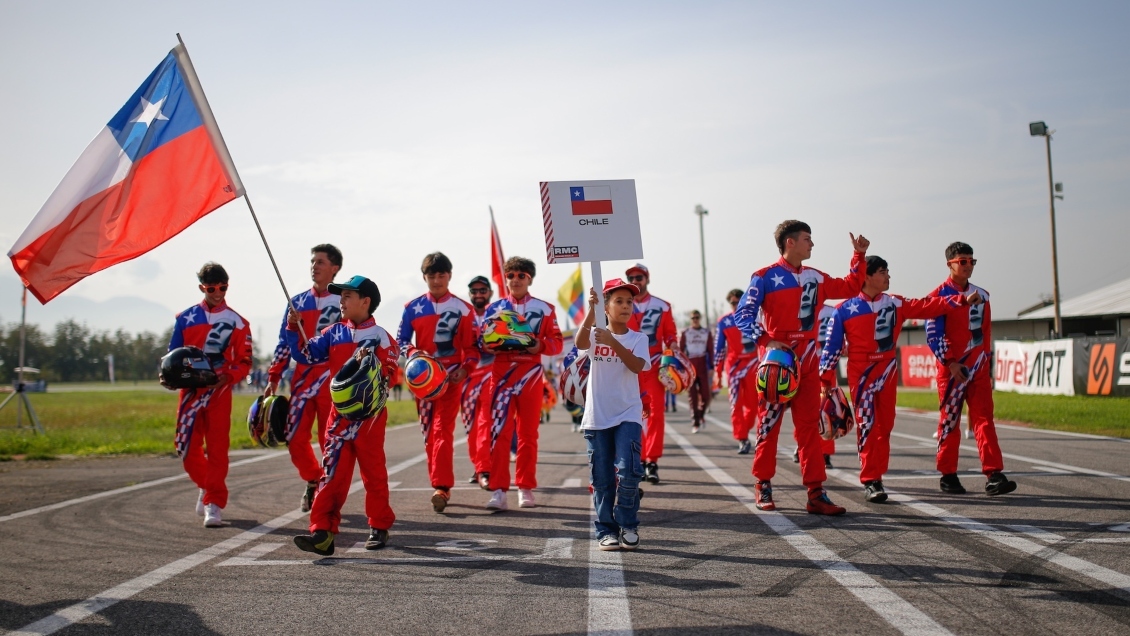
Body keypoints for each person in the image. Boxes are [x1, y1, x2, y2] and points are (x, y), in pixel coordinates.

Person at [734, 220, 869, 515]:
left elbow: (850, 286)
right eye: (807, 238)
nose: (812, 244)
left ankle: (816, 492)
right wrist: (766, 340)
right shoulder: (764, 277)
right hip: (776, 364)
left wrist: (858, 257)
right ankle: (763, 484)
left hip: (809, 360)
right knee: (768, 426)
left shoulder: (815, 276)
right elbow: (742, 315)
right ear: (790, 242)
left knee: (809, 429)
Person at [819, 255, 981, 502]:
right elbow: (831, 349)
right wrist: (824, 382)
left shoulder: (895, 303)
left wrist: (960, 300)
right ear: (868, 276)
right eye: (883, 272)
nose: (888, 276)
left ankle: (878, 476)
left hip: (888, 372)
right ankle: (871, 480)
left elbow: (928, 306)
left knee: (885, 427)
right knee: (867, 425)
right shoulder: (843, 310)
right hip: (860, 375)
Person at [290, 275, 399, 555]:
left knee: (373, 473)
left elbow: (390, 376)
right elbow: (306, 355)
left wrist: (374, 374)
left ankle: (379, 526)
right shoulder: (332, 332)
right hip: (337, 418)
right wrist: (295, 326)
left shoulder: (382, 338)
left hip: (369, 419)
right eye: (341, 296)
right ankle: (322, 533)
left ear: (365, 302)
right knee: (331, 475)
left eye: (347, 296)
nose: (341, 301)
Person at [926, 243, 1017, 496]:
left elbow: (986, 333)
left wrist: (985, 363)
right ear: (950, 264)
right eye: (962, 261)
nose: (968, 266)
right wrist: (951, 363)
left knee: (984, 420)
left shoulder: (984, 295)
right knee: (950, 423)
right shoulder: (937, 296)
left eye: (971, 261)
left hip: (978, 370)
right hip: (952, 371)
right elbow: (933, 335)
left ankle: (994, 474)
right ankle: (948, 475)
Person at [169, 262, 253, 528]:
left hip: (220, 393)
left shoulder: (239, 323)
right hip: (191, 393)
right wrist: (169, 376)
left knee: (218, 450)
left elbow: (245, 361)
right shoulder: (184, 318)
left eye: (223, 287)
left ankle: (214, 504)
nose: (218, 293)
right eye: (212, 288)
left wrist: (228, 377)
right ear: (202, 288)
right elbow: (172, 356)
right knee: (185, 448)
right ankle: (206, 487)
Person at [479, 257, 563, 510]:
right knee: (500, 433)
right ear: (505, 279)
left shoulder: (545, 308)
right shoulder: (493, 309)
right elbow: (482, 343)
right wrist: (492, 343)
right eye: (511, 275)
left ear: (530, 279)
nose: (515, 279)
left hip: (531, 374)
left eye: (521, 275)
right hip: (502, 374)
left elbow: (557, 342)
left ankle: (525, 487)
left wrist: (539, 345)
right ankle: (499, 490)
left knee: (528, 434)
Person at [397, 253, 478, 513]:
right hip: (422, 381)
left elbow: (473, 349)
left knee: (443, 431)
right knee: (429, 435)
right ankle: (439, 484)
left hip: (450, 379)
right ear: (424, 277)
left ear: (449, 276)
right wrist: (413, 355)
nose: (436, 280)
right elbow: (401, 342)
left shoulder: (464, 309)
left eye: (441, 275)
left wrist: (465, 370)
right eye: (431, 275)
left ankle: (442, 487)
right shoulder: (412, 307)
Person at [266, 244, 343, 512]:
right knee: (295, 437)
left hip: (332, 382)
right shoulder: (296, 302)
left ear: (334, 268)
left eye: (321, 262)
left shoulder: (345, 301)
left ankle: (327, 492)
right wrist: (274, 376)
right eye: (313, 261)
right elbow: (283, 345)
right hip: (301, 382)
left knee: (328, 440)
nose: (315, 266)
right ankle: (312, 479)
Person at [576, 279, 650, 551]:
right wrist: (590, 311)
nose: (626, 306)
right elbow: (579, 341)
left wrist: (614, 343)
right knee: (602, 479)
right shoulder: (595, 334)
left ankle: (628, 523)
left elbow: (637, 366)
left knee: (630, 471)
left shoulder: (639, 338)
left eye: (629, 302)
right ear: (606, 307)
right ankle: (606, 530)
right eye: (618, 301)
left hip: (628, 414)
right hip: (597, 416)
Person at [624, 263, 677, 484]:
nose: (635, 281)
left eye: (639, 277)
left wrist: (672, 355)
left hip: (654, 365)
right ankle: (635, 460)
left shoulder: (662, 306)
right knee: (630, 415)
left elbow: (671, 336)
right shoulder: (621, 304)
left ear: (647, 279)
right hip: (627, 366)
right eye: (631, 278)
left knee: (655, 414)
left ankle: (651, 461)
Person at [715, 289, 759, 452]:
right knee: (735, 404)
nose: (736, 305)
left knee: (753, 406)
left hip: (754, 363)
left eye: (739, 301)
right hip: (734, 366)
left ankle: (745, 429)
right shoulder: (724, 321)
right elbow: (718, 348)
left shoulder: (756, 316)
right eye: (733, 303)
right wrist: (718, 373)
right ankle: (742, 438)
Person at [461, 275, 495, 484]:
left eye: (483, 290)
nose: (479, 294)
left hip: (492, 374)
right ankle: (478, 466)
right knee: (470, 425)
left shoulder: (499, 313)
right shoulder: (462, 314)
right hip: (467, 377)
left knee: (486, 422)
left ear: (490, 293)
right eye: (474, 291)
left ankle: (485, 468)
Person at [680, 310, 713, 432]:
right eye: (693, 318)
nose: (695, 320)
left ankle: (700, 415)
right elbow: (681, 351)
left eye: (697, 317)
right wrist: (681, 367)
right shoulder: (685, 332)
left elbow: (711, 350)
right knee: (692, 395)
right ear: (690, 319)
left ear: (700, 318)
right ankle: (695, 422)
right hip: (690, 365)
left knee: (706, 395)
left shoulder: (706, 332)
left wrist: (712, 367)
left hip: (703, 364)